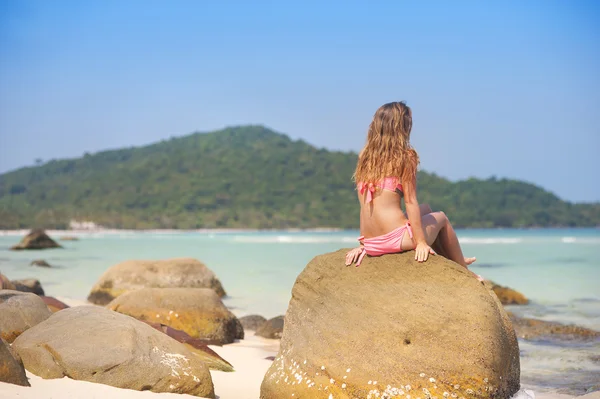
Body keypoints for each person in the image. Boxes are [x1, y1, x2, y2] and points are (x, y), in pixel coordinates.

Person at [344, 101, 479, 279]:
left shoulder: (365, 155)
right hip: (395, 239)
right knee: (442, 218)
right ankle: (465, 271)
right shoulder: (406, 157)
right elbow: (410, 201)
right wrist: (420, 242)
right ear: (403, 126)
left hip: (372, 243)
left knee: (427, 209)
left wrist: (364, 243)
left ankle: (454, 259)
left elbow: (364, 204)